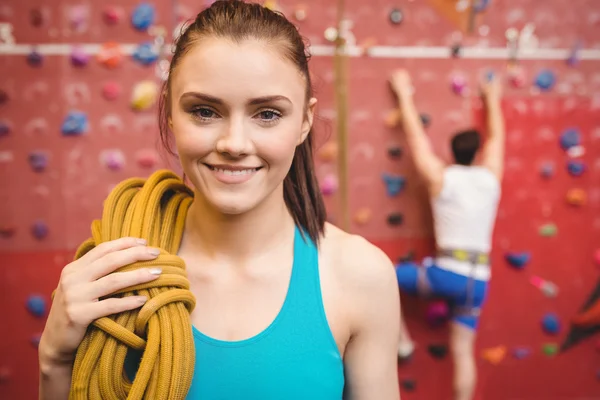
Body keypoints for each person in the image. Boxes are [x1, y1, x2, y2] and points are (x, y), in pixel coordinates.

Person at [38, 1, 404, 399]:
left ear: (304, 121)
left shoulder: (361, 276)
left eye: (267, 114)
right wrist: (54, 362)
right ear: (171, 115)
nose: (233, 144)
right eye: (205, 111)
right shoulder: (112, 274)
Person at [390, 69, 504, 400]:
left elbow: (416, 138)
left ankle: (403, 341)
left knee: (384, 276)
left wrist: (403, 93)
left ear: (452, 153)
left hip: (448, 273)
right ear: (477, 153)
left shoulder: (443, 178)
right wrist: (492, 98)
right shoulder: (491, 177)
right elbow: (497, 140)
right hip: (478, 279)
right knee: (463, 353)